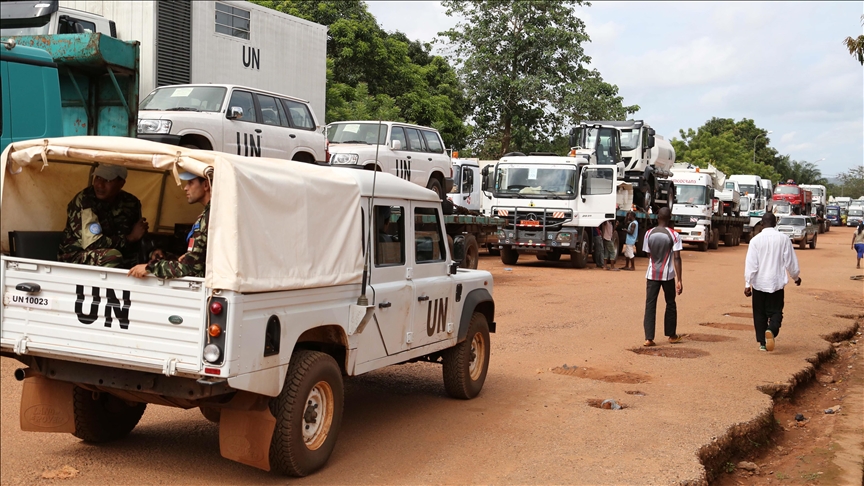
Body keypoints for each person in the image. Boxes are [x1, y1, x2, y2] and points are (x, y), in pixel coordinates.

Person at [58, 164, 148, 267]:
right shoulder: (85, 200)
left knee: (153, 261)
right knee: (112, 256)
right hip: (77, 256)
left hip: (118, 253)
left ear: (121, 183)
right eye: (98, 178)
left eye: (108, 180)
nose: (100, 185)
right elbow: (93, 244)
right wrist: (129, 238)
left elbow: (139, 236)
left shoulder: (131, 202)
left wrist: (151, 252)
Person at [128, 172, 211, 279]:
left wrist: (150, 268)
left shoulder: (210, 217)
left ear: (205, 185)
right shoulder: (212, 213)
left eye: (190, 183)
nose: (185, 188)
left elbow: (190, 267)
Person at [744, 212, 801, 352]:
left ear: (762, 224)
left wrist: (747, 284)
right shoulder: (784, 239)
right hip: (776, 283)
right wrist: (796, 277)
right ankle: (771, 329)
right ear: (775, 223)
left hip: (759, 284)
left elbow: (751, 264)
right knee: (776, 312)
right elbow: (790, 262)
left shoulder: (755, 241)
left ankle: (763, 343)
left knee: (759, 313)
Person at [642, 207, 684, 347]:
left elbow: (648, 254)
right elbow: (677, 258)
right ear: (669, 218)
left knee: (650, 304)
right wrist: (680, 280)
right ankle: (671, 335)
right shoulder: (674, 235)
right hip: (668, 275)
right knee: (670, 303)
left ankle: (649, 338)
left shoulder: (648, 233)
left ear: (657, 217)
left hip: (652, 274)